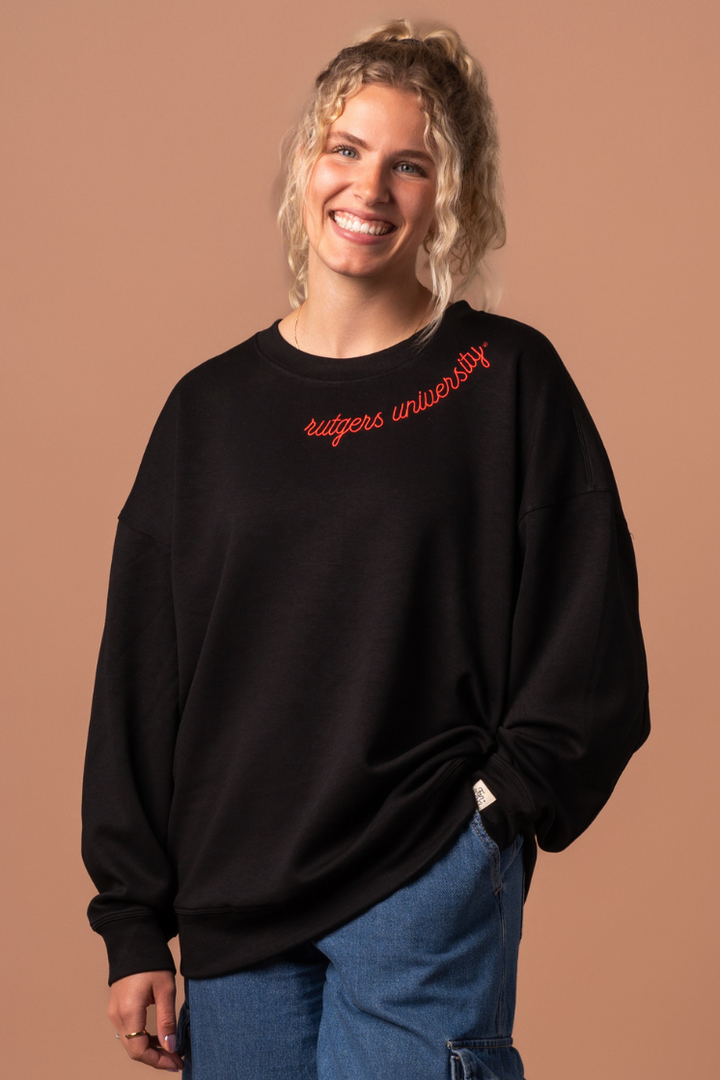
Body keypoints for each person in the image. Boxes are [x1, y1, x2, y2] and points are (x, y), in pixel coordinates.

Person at [81, 19, 650, 1080]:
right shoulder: (210, 413)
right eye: (346, 149)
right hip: (232, 902)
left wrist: (493, 817)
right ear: (308, 161)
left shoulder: (502, 381)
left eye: (409, 164)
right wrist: (131, 918)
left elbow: (592, 635)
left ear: (452, 193)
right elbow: (141, 676)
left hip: (418, 881)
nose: (370, 188)